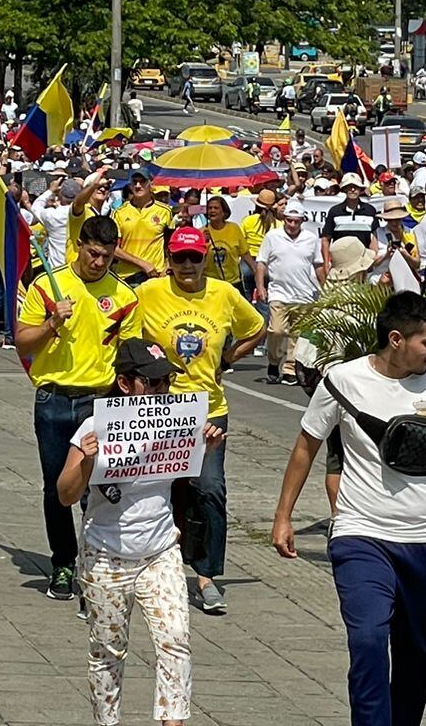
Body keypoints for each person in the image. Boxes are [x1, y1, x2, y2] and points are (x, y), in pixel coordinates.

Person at [271, 292, 426, 726]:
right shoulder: (343, 381)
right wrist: (284, 516)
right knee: (368, 640)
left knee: (415, 658)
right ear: (396, 339)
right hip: (362, 535)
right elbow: (306, 446)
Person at [59, 339, 221, 726]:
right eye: (152, 382)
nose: (162, 390)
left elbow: (185, 473)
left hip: (159, 550)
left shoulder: (176, 422)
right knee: (108, 651)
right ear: (125, 383)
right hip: (105, 555)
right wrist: (87, 462)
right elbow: (65, 495)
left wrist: (207, 448)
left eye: (167, 381)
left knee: (175, 640)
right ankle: (107, 721)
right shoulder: (93, 427)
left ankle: (173, 722)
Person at [138, 227, 265, 615]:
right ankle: (154, 563)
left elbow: (257, 328)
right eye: (180, 258)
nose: (187, 265)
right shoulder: (149, 292)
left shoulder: (224, 293)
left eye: (194, 257)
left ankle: (207, 575)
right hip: (160, 409)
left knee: (209, 488)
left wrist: (229, 357)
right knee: (159, 489)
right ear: (169, 259)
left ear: (205, 257)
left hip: (208, 409)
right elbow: (121, 329)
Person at [17, 214, 140, 602]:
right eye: (93, 253)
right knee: (58, 488)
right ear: (79, 246)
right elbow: (23, 342)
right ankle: (63, 562)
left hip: (99, 401)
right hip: (53, 398)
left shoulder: (124, 297)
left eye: (107, 256)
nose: (99, 262)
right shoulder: (47, 285)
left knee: (97, 488)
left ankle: (94, 563)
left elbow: (129, 358)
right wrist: (52, 323)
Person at [254, 198, 324, 385]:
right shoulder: (272, 236)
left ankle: (289, 369)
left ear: (302, 221)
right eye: (289, 220)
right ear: (283, 219)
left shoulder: (311, 238)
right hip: (279, 292)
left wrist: (325, 288)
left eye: (296, 221)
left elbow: (318, 265)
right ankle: (273, 361)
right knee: (276, 330)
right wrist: (260, 287)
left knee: (297, 335)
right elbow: (261, 263)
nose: (292, 225)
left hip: (304, 294)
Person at [112, 171, 172, 286]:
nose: (138, 186)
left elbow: (170, 245)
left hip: (155, 275)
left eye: (142, 182)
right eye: (135, 182)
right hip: (127, 277)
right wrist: (142, 264)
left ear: (151, 184)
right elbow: (114, 249)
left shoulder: (165, 211)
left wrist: (167, 266)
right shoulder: (119, 213)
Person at [321, 173, 379, 272]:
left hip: (363, 264)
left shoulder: (370, 211)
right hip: (340, 265)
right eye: (349, 186)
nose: (352, 189)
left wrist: (372, 260)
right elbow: (326, 239)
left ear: (360, 189)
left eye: (355, 187)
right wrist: (326, 263)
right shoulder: (335, 211)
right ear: (344, 189)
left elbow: (374, 238)